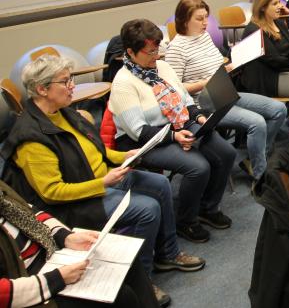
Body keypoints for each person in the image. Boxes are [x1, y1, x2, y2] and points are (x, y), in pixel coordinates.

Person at [1, 54, 204, 306]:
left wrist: (125, 155)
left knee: (160, 185)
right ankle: (142, 275)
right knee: (146, 210)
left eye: (70, 79)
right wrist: (104, 182)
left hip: (100, 179)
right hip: (77, 200)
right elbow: (51, 193)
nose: (72, 86)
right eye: (65, 82)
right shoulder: (31, 138)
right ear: (42, 89)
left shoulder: (63, 112)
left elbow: (95, 149)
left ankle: (168, 253)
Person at [110, 19, 236, 244]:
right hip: (146, 142)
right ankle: (185, 220)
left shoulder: (163, 67)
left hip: (180, 125)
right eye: (149, 52)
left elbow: (185, 99)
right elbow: (139, 131)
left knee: (226, 153)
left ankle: (206, 208)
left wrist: (198, 116)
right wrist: (175, 137)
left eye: (157, 49)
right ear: (130, 52)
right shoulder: (123, 83)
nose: (155, 56)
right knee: (198, 167)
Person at [164, 0, 287, 182]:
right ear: (184, 20)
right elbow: (175, 89)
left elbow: (216, 66)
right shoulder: (176, 49)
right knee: (257, 123)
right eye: (199, 19)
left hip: (225, 92)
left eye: (206, 17)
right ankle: (261, 175)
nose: (205, 22)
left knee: (279, 110)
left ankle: (255, 159)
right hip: (205, 102)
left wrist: (230, 67)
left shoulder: (204, 37)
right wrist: (207, 82)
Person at [0, 180, 160, 308]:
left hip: (50, 256)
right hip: (33, 284)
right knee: (121, 296)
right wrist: (56, 279)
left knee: (129, 262)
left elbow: (30, 212)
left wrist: (65, 236)